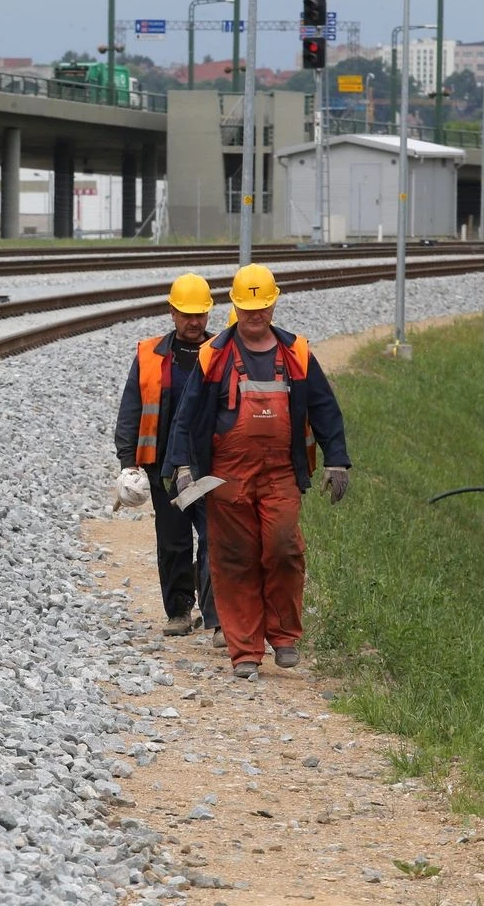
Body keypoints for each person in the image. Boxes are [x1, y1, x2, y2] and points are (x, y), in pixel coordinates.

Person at [162, 263, 351, 678]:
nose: (254, 315)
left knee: (283, 548)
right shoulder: (215, 356)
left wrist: (336, 458)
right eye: (247, 308)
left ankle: (283, 636)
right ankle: (245, 650)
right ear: (235, 305)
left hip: (280, 472)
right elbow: (187, 415)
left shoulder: (297, 353)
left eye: (261, 307)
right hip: (228, 474)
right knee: (234, 559)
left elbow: (324, 408)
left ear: (273, 304)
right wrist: (180, 465)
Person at [114, 272, 221, 643]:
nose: (194, 322)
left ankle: (217, 618)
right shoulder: (150, 354)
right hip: (165, 467)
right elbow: (132, 407)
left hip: (211, 466)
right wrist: (128, 460)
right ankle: (179, 610)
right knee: (173, 540)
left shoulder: (222, 352)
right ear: (172, 313)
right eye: (187, 315)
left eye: (200, 315)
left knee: (215, 539)